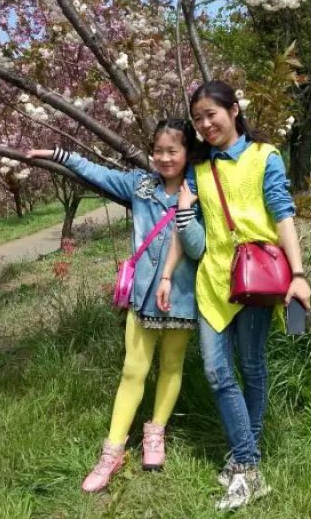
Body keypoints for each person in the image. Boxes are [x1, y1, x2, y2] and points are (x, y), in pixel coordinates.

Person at [27, 119, 205, 493]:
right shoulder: (140, 186)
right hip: (142, 296)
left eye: (173, 151)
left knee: (172, 366)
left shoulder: (200, 191)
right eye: (158, 150)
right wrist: (57, 154)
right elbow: (98, 173)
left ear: (188, 152)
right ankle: (112, 451)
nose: (164, 158)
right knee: (132, 370)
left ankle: (156, 432)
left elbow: (197, 248)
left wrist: (187, 210)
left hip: (181, 296)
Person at [157, 81, 311, 511]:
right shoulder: (199, 169)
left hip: (257, 279)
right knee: (216, 373)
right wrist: (167, 275)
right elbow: (184, 226)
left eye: (212, 114)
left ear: (234, 110)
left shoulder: (265, 156)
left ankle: (245, 464)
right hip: (214, 282)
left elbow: (283, 214)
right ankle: (247, 463)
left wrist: (298, 274)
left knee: (252, 368)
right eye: (198, 119)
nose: (206, 124)